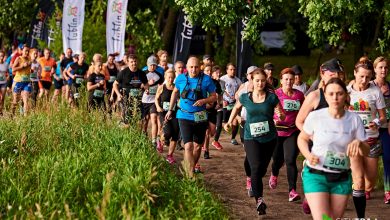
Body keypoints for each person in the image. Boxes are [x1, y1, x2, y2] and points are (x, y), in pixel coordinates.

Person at [298, 78, 369, 220]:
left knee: (334, 219)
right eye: (331, 94)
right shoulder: (315, 116)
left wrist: (359, 144)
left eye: (339, 93)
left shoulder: (354, 119)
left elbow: (366, 151)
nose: (335, 98)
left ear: (346, 96)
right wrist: (307, 154)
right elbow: (302, 139)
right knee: (323, 218)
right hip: (316, 174)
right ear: (325, 95)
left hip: (341, 177)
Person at [224, 68, 284, 215]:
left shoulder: (271, 97)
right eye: (257, 80)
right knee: (256, 167)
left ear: (266, 81)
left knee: (262, 169)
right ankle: (259, 201)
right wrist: (230, 121)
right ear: (252, 81)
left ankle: (254, 178)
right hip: (251, 137)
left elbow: (280, 113)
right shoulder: (245, 97)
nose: (260, 83)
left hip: (269, 138)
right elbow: (236, 108)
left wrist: (280, 116)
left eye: (263, 80)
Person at [295, 57, 342, 214]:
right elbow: (299, 121)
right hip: (315, 146)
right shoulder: (314, 96)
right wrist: (312, 136)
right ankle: (312, 195)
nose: (335, 78)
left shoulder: (343, 96)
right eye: (332, 74)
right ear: (323, 74)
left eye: (338, 75)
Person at [165, 56, 216, 178]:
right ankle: (190, 174)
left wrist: (204, 100)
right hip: (184, 115)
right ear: (186, 68)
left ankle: (191, 167)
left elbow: (214, 97)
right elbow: (175, 92)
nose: (194, 70)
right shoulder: (180, 78)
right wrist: (170, 110)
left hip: (200, 116)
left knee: (198, 146)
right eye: (191, 67)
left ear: (200, 67)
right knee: (188, 145)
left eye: (196, 67)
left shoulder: (207, 80)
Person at [347, 57, 386, 212]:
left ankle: (365, 188)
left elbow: (383, 117)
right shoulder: (347, 90)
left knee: (371, 180)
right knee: (358, 180)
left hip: (372, 139)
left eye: (368, 77)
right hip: (353, 140)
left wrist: (376, 122)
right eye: (361, 76)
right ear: (355, 73)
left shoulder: (375, 92)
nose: (364, 80)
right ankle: (357, 193)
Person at [269, 68, 305, 202]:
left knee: (290, 160)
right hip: (277, 131)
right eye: (286, 79)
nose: (289, 82)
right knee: (277, 160)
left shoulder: (299, 95)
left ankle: (292, 191)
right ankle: (274, 173)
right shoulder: (275, 94)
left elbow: (303, 111)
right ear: (282, 81)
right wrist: (272, 119)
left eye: (291, 79)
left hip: (292, 131)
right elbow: (267, 109)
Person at [371, 56, 390, 204]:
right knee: (369, 159)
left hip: (386, 129)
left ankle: (387, 190)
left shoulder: (389, 87)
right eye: (381, 67)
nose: (383, 70)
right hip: (370, 129)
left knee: (388, 158)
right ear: (375, 69)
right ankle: (364, 187)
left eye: (386, 67)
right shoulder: (369, 86)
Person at [112, 54, 148, 126]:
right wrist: (118, 94)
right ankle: (124, 130)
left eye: (135, 61)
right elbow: (115, 84)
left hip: (138, 99)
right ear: (128, 62)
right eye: (131, 62)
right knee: (127, 120)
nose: (134, 63)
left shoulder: (142, 73)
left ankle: (136, 134)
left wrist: (146, 89)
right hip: (126, 99)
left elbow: (146, 83)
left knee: (140, 119)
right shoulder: (123, 72)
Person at [155, 69, 179, 164]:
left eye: (172, 78)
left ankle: (170, 155)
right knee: (168, 132)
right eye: (169, 77)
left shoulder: (176, 88)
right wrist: (157, 106)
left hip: (174, 112)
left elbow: (179, 100)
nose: (170, 79)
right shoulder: (161, 87)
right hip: (163, 112)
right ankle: (160, 141)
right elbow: (156, 99)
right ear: (165, 77)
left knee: (175, 134)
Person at [141, 55, 163, 150]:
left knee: (154, 119)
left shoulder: (159, 74)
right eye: (151, 65)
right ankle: (143, 135)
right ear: (147, 64)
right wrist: (146, 85)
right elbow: (138, 84)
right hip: (144, 100)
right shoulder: (143, 73)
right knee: (145, 120)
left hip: (154, 101)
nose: (153, 67)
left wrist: (159, 89)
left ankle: (154, 140)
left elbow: (161, 85)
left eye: (154, 65)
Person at [203, 64, 223, 159]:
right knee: (206, 132)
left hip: (213, 110)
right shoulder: (201, 81)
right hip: (202, 110)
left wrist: (219, 103)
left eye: (210, 71)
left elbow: (220, 94)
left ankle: (204, 143)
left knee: (212, 132)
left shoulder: (215, 82)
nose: (209, 72)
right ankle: (206, 151)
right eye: (207, 70)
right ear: (203, 71)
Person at [220, 63, 242, 145]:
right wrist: (222, 101)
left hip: (234, 104)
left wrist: (237, 97)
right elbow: (219, 91)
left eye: (234, 69)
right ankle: (216, 137)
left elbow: (241, 90)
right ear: (227, 70)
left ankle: (233, 138)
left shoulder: (238, 80)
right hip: (225, 104)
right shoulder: (222, 79)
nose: (233, 71)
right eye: (231, 69)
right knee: (224, 123)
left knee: (235, 122)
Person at [11, 45, 31, 116]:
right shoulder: (18, 59)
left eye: (28, 51)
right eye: (26, 51)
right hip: (18, 82)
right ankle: (12, 114)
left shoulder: (29, 59)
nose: (27, 52)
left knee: (26, 100)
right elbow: (13, 69)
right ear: (22, 51)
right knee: (15, 101)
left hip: (26, 82)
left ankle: (25, 118)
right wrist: (22, 66)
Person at [210, 65, 224, 150]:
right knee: (209, 129)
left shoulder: (222, 82)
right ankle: (204, 143)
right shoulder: (209, 82)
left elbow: (221, 94)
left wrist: (220, 102)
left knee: (219, 125)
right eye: (216, 73)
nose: (218, 74)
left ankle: (215, 140)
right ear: (212, 74)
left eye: (219, 73)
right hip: (210, 106)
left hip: (219, 106)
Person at [0, 50, 9, 115]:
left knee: (2, 98)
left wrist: (8, 76)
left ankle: (1, 111)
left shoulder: (6, 64)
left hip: (4, 82)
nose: (1, 57)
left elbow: (8, 73)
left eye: (2, 56)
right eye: (0, 56)